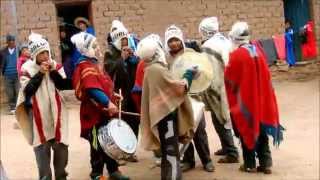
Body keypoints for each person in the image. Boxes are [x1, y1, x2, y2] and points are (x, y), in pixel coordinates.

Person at [225, 22, 284, 174]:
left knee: (246, 131)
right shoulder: (258, 50)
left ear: (234, 38)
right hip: (262, 99)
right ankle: (266, 164)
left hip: (246, 101)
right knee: (262, 132)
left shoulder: (236, 55)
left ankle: (250, 164)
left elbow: (230, 80)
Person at [71, 32, 130, 180]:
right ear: (86, 49)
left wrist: (113, 95)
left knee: (109, 141)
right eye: (94, 46)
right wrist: (108, 102)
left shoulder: (94, 63)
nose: (98, 48)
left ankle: (113, 170)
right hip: (94, 114)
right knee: (97, 143)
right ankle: (96, 173)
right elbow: (92, 89)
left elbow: (102, 84)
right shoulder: (85, 66)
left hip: (104, 112)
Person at [138, 34, 196, 180]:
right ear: (157, 51)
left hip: (162, 117)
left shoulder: (150, 69)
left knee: (167, 152)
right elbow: (178, 88)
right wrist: (190, 74)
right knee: (171, 152)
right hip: (167, 118)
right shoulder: (157, 70)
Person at [15, 33, 71, 180]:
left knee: (61, 150)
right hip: (38, 118)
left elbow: (64, 85)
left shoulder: (56, 65)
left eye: (46, 52)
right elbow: (27, 91)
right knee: (42, 152)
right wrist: (40, 74)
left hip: (57, 116)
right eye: (41, 54)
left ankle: (61, 176)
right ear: (34, 55)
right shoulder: (27, 69)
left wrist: (52, 71)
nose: (45, 56)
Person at [165, 25, 214, 172]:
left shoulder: (191, 53)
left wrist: (196, 73)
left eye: (176, 40)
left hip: (194, 98)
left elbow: (203, 71)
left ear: (181, 39)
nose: (174, 43)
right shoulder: (166, 59)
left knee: (199, 131)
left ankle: (207, 160)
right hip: (178, 100)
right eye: (170, 41)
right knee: (183, 130)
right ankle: (188, 160)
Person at [198, 17, 239, 163]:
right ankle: (226, 147)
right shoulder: (226, 41)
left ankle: (232, 152)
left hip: (217, 87)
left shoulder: (207, 46)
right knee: (222, 118)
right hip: (229, 86)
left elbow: (207, 70)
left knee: (221, 118)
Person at [104, 20, 140, 163]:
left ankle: (130, 150)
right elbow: (109, 70)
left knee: (134, 121)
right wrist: (122, 60)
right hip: (118, 93)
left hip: (131, 91)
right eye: (122, 40)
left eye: (126, 39)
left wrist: (133, 59)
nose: (125, 43)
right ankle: (119, 153)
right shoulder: (110, 52)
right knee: (119, 121)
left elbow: (137, 68)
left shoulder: (131, 49)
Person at [0, 34, 19, 114]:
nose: (12, 42)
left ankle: (18, 107)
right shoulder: (3, 52)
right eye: (10, 41)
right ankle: (12, 107)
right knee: (10, 92)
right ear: (7, 42)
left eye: (13, 41)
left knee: (18, 91)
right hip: (7, 75)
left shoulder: (18, 50)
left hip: (17, 74)